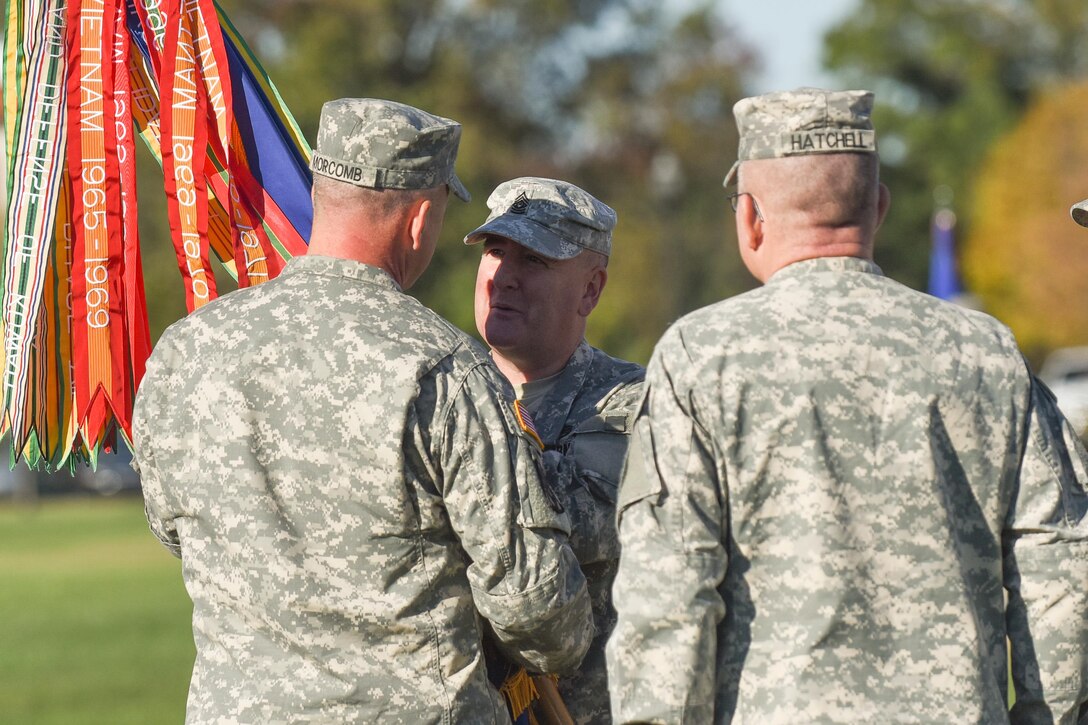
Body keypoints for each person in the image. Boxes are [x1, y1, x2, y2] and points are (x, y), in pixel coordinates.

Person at [606, 88, 1088, 723]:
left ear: (750, 217)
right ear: (879, 207)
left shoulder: (700, 358)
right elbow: (1061, 573)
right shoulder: (987, 352)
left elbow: (668, 602)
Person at [133, 99, 593, 724]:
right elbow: (536, 607)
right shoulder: (442, 368)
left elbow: (174, 529)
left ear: (323, 195)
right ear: (420, 218)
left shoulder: (188, 347)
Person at [465, 177, 645, 724]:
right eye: (496, 252)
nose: (506, 277)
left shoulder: (636, 406)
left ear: (590, 290)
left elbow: (594, 526)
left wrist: (460, 462)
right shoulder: (441, 391)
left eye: (535, 261)